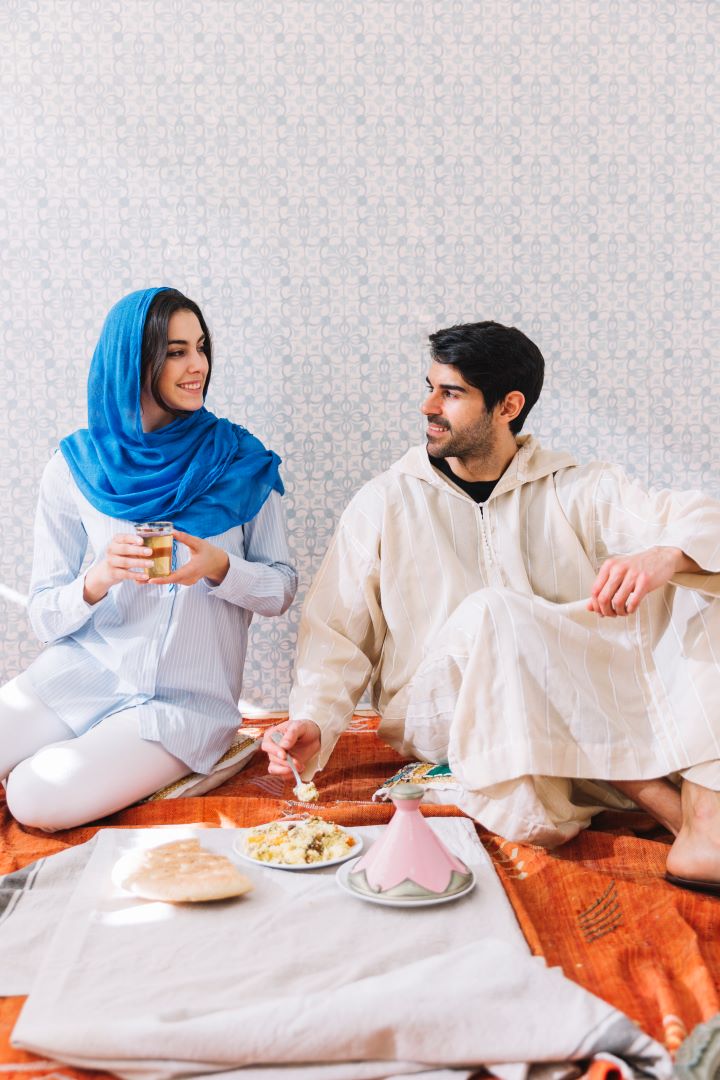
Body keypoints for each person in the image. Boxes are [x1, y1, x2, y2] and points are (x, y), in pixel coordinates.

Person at [263, 320, 720, 893]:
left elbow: (703, 519)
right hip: (441, 709)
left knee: (696, 584)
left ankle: (707, 814)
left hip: (561, 704)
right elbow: (336, 633)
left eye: (450, 393)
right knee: (495, 613)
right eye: (430, 387)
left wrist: (666, 556)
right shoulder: (386, 500)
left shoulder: (576, 487)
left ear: (508, 406)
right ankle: (678, 816)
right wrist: (313, 719)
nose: (428, 406)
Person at [1, 287, 297, 830]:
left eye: (201, 347)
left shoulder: (241, 460)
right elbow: (43, 614)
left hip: (180, 706)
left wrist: (221, 568)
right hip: (82, 673)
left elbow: (281, 589)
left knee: (33, 795)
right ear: (132, 362)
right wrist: (97, 578)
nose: (198, 365)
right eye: (176, 352)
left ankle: (202, 757)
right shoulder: (75, 465)